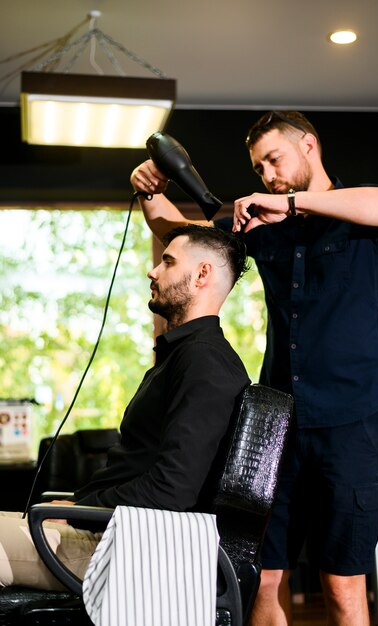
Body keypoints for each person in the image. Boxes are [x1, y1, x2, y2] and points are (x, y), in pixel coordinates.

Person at [130, 111, 378, 626]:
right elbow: (179, 233)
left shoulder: (359, 216)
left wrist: (289, 202)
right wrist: (149, 190)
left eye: (273, 160)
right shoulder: (262, 228)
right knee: (259, 575)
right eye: (259, 167)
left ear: (309, 145)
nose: (266, 175)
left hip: (350, 423)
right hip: (276, 423)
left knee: (341, 583)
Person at [0, 224, 250, 590]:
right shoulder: (185, 356)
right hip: (109, 536)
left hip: (124, 552)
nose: (153, 270)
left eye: (167, 261)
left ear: (201, 274)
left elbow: (173, 489)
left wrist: (82, 514)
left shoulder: (204, 363)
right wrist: (81, 509)